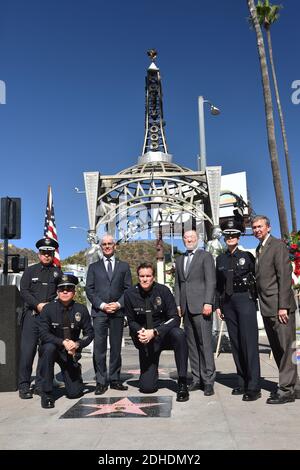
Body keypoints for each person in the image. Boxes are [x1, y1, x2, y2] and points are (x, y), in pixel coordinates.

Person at [124, 262, 189, 402]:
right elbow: (131, 320)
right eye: (142, 276)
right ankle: (151, 373)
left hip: (162, 335)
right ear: (138, 276)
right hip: (144, 338)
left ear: (153, 277)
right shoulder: (129, 294)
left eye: (148, 276)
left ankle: (182, 382)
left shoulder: (163, 291)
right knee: (147, 388)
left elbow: (174, 318)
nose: (145, 279)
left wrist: (155, 331)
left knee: (179, 334)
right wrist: (140, 332)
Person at [252, 215, 300, 404]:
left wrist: (283, 306)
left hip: (280, 308)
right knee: (281, 349)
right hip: (267, 307)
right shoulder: (259, 248)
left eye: (260, 226)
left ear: (268, 228)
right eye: (254, 227)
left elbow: (284, 276)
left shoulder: (277, 245)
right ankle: (295, 386)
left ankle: (286, 390)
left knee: (287, 348)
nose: (257, 230)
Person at [215, 221, 261, 401]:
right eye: (227, 236)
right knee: (236, 343)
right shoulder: (220, 259)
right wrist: (218, 305)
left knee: (249, 343)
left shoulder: (247, 257)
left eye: (233, 235)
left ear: (238, 237)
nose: (230, 238)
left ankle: (254, 386)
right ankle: (241, 382)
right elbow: (218, 286)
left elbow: (257, 279)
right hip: (228, 303)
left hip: (244, 300)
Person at [86, 234, 132, 395]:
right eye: (104, 244)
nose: (106, 246)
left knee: (116, 348)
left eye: (109, 244)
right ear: (101, 246)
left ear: (115, 246)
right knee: (99, 348)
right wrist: (103, 305)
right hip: (99, 313)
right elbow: (89, 290)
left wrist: (118, 304)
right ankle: (100, 381)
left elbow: (128, 290)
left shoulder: (124, 267)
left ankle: (115, 379)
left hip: (117, 312)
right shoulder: (93, 267)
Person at [39, 274, 94, 408]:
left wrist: (77, 344)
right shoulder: (48, 309)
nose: (65, 291)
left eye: (69, 288)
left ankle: (76, 371)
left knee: (74, 393)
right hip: (53, 348)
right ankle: (46, 393)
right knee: (48, 348)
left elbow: (90, 333)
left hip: (70, 352)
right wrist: (62, 342)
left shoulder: (80, 309)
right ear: (57, 291)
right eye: (62, 289)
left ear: (74, 292)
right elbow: (43, 333)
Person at [18, 237, 62, 399]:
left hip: (48, 320)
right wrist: (37, 305)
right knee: (27, 352)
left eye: (49, 253)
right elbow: (24, 291)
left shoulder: (58, 272)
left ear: (53, 254)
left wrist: (49, 307)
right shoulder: (30, 271)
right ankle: (23, 386)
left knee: (45, 352)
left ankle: (40, 384)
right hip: (32, 316)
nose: (46, 255)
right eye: (44, 252)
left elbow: (62, 293)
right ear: (39, 254)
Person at [174, 230, 216, 396]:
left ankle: (208, 381)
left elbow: (211, 281)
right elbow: (178, 284)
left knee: (205, 344)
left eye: (191, 237)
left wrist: (208, 302)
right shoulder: (179, 260)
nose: (189, 240)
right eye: (186, 237)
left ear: (197, 239)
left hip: (201, 306)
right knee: (191, 345)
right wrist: (178, 303)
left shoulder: (205, 256)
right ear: (183, 240)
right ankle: (197, 378)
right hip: (186, 308)